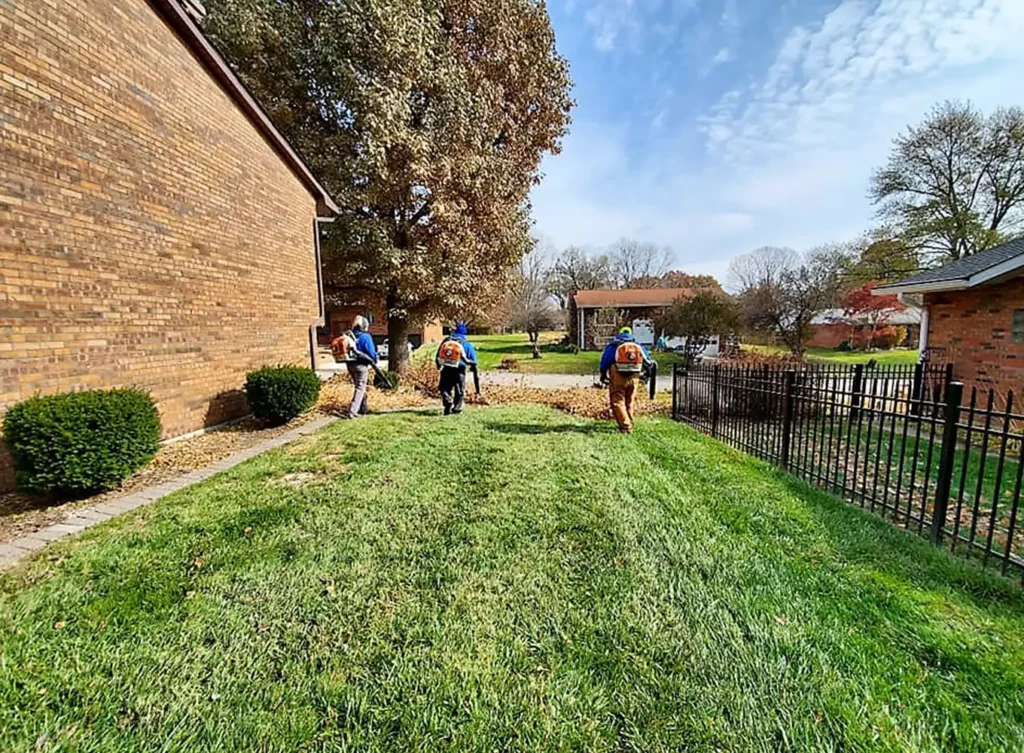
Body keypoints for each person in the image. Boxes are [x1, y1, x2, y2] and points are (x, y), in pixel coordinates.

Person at [599, 326, 653, 434]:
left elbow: (605, 361)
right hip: (634, 376)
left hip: (618, 376)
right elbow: (648, 361)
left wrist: (603, 374)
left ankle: (626, 427)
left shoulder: (614, 346)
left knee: (617, 400)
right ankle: (629, 421)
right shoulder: (637, 345)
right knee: (630, 400)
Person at [435, 323, 478, 415]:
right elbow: (473, 360)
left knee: (444, 388)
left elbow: (438, 354)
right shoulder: (466, 344)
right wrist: (472, 366)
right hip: (460, 369)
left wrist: (438, 365)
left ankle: (447, 402)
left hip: (446, 368)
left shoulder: (446, 341)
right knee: (459, 390)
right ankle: (457, 408)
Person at [346, 315, 378, 418]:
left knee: (359, 386)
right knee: (360, 388)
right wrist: (375, 359)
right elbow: (371, 352)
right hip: (361, 366)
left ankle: (363, 408)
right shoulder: (365, 336)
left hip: (350, 365)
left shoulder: (350, 335)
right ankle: (352, 411)